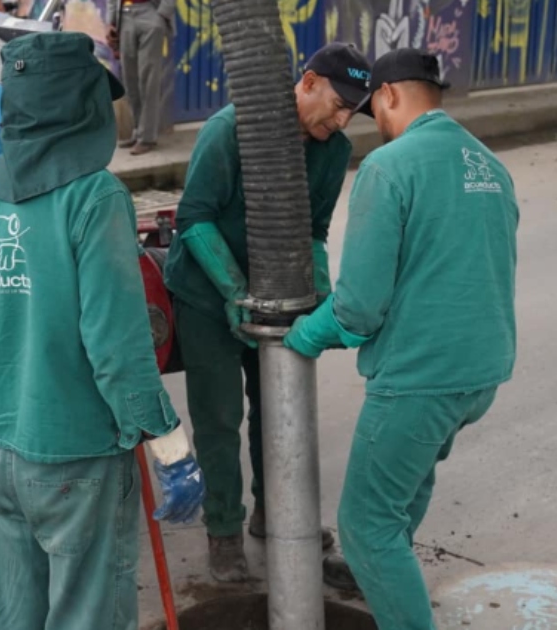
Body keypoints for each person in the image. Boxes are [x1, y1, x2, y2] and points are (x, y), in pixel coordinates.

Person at [0, 31, 206, 630]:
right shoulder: (94, 196)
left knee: (18, 611)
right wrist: (169, 446)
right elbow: (118, 346)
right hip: (78, 457)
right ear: (80, 104)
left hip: (3, 452)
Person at [283, 48, 519, 629]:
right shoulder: (489, 165)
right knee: (406, 489)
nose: (372, 124)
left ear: (388, 94)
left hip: (420, 377)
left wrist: (301, 337)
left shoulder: (389, 167)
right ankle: (388, 582)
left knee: (366, 526)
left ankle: (397, 598)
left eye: (373, 110)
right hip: (481, 373)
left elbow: (358, 308)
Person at [160, 41, 372, 582]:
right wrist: (234, 292)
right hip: (206, 295)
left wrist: (321, 299)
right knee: (219, 416)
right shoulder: (231, 130)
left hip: (279, 295)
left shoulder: (332, 150)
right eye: (338, 104)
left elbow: (314, 231)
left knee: (279, 411)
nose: (343, 119)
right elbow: (195, 217)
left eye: (353, 111)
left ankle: (275, 514)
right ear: (308, 83)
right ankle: (224, 531)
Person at [108, 0, 176, 155]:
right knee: (129, 81)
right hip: (124, 15)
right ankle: (138, 131)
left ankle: (147, 138)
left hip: (150, 11)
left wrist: (161, 16)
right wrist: (111, 21)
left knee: (149, 79)